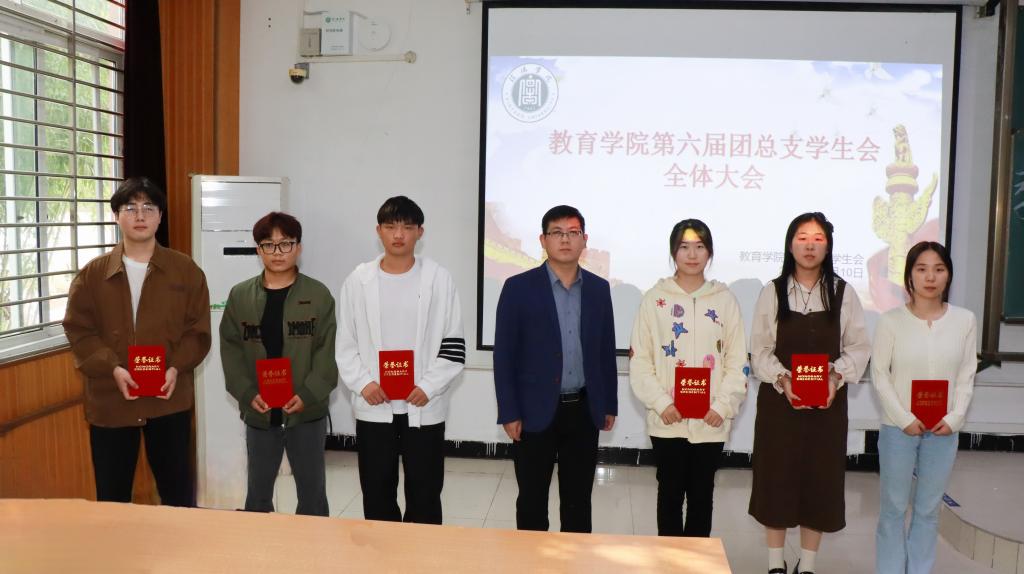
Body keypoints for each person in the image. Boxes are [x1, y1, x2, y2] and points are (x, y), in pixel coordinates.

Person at [63, 176, 211, 506]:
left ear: (160, 217)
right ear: (116, 216)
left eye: (149, 207)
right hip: (111, 401)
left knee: (178, 495)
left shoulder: (185, 271)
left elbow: (197, 331)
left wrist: (175, 368)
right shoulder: (92, 275)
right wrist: (113, 368)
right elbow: (79, 331)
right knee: (112, 497)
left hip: (168, 399)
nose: (140, 215)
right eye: (130, 208)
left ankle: (178, 541)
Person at [748, 212, 870, 574]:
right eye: (802, 238)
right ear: (790, 245)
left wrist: (834, 377)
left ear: (828, 247)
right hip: (779, 405)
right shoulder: (772, 291)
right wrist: (784, 380)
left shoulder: (843, 292)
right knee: (776, 479)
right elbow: (760, 349)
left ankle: (809, 565)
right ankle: (775, 564)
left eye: (818, 238)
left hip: (827, 407)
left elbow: (859, 347)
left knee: (820, 481)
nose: (810, 245)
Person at [337, 196, 465, 524]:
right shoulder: (358, 281)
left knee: (425, 492)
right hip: (374, 404)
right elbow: (346, 344)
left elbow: (453, 344)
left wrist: (428, 386)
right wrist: (364, 383)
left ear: (420, 232)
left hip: (423, 405)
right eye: (391, 226)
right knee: (377, 491)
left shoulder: (438, 279)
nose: (398, 234)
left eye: (407, 227)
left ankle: (422, 552)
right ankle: (384, 552)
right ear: (378, 230)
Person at [493, 204, 618, 533]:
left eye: (573, 233)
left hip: (584, 409)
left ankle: (573, 558)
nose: (565, 240)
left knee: (578, 501)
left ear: (584, 240)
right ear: (543, 240)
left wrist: (609, 403)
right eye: (557, 233)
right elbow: (504, 355)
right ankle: (532, 559)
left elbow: (605, 350)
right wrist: (509, 411)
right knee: (532, 500)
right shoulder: (518, 288)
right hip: (533, 411)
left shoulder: (598, 289)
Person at [629, 218, 747, 537]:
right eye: (684, 247)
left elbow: (738, 361)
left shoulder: (725, 300)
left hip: (711, 421)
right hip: (667, 420)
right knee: (669, 495)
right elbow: (640, 360)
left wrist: (722, 406)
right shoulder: (654, 299)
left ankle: (697, 560)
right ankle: (669, 560)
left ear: (710, 253)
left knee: (701, 497)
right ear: (673, 252)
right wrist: (661, 403)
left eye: (699, 247)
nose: (692, 255)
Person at [220, 212, 338, 516]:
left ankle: (311, 546)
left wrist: (308, 394)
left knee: (312, 496)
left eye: (285, 244)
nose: (277, 252)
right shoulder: (240, 295)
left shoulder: (318, 295)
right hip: (260, 410)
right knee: (258, 495)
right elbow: (231, 350)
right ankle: (260, 546)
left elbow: (327, 352)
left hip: (305, 411)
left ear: (298, 247)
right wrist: (247, 393)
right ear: (258, 250)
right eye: (268, 245)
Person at [872, 241, 976, 574]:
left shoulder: (964, 320)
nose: (930, 277)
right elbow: (879, 374)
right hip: (898, 429)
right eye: (922, 269)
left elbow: (967, 374)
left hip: (943, 430)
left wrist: (955, 418)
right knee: (893, 509)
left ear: (948, 275)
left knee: (928, 510)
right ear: (909, 276)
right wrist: (903, 418)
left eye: (939, 269)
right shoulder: (890, 321)